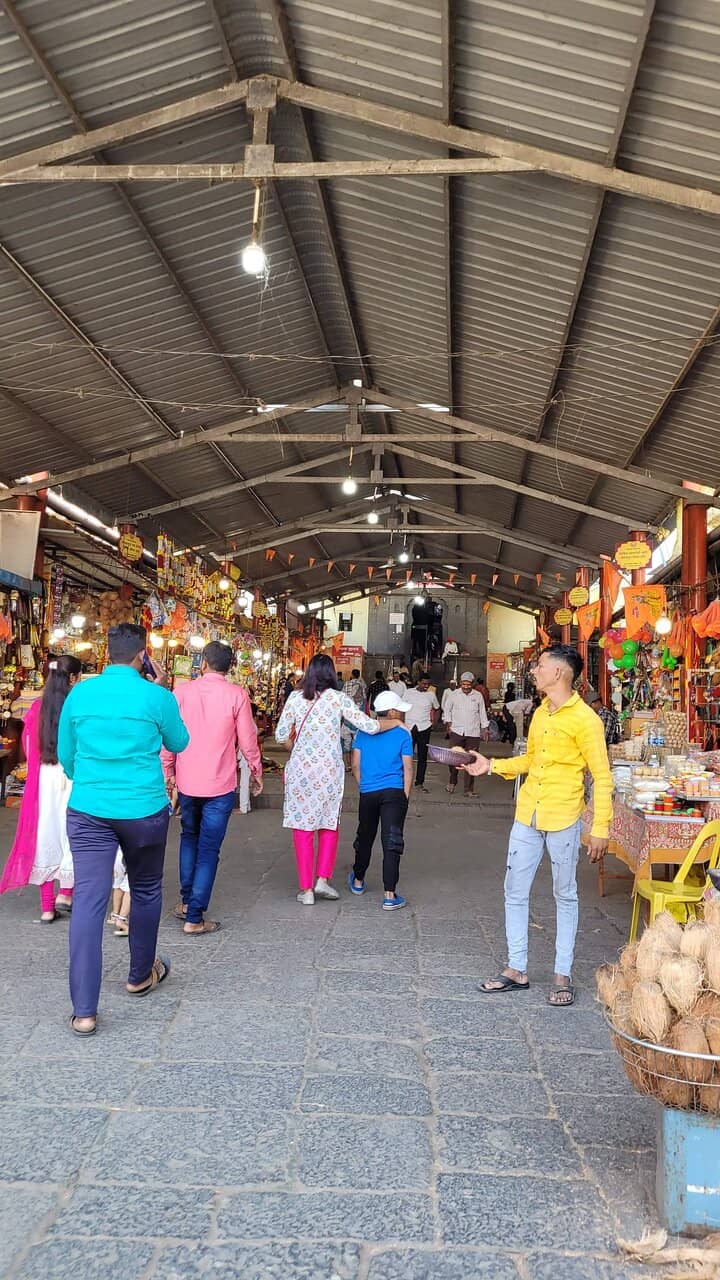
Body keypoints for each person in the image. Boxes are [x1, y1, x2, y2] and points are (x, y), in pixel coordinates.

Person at [58, 624, 189, 1036]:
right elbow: (179, 742)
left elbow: (67, 756)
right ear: (142, 655)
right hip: (143, 808)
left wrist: (90, 781)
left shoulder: (81, 694)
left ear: (106, 652)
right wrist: (160, 692)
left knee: (88, 901)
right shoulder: (157, 696)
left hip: (89, 808)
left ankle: (84, 1011)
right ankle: (139, 975)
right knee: (146, 888)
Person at [463, 645, 612, 1007]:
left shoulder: (586, 720)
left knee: (565, 894)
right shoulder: (541, 712)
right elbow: (531, 759)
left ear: (559, 672)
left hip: (564, 816)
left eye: (540, 665)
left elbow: (602, 776)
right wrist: (491, 766)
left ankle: (562, 973)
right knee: (514, 890)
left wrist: (601, 828)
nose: (534, 670)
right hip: (528, 813)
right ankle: (517, 968)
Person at [161, 641, 262, 935]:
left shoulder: (181, 693)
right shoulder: (237, 695)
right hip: (220, 785)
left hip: (187, 782)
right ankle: (194, 917)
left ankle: (186, 903)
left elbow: (169, 736)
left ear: (203, 662)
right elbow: (247, 739)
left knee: (189, 837)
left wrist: (168, 770)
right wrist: (255, 770)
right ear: (230, 667)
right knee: (208, 849)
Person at [275, 654, 388, 906]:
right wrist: (394, 723)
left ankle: (306, 890)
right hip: (329, 771)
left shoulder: (295, 698)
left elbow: (281, 735)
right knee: (329, 823)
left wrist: (297, 749)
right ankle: (322, 880)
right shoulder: (339, 699)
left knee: (303, 827)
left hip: (301, 772)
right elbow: (369, 726)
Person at [0, 656, 81, 921]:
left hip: (44, 778)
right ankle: (66, 892)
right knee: (73, 833)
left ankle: (47, 907)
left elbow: (28, 747)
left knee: (46, 835)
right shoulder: (77, 706)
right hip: (72, 776)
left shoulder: (36, 708)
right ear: (72, 678)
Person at [349, 691, 414, 910]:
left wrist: (364, 785)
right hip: (394, 792)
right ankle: (389, 895)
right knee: (392, 840)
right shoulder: (403, 733)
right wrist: (404, 795)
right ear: (393, 712)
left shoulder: (363, 732)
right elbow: (408, 768)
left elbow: (355, 764)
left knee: (365, 836)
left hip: (368, 791)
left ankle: (358, 881)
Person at [443, 671, 489, 796]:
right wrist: (448, 723)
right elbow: (447, 709)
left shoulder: (478, 696)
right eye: (464, 684)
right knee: (453, 758)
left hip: (473, 732)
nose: (466, 687)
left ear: (472, 684)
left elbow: (482, 712)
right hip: (456, 731)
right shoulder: (454, 695)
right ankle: (452, 781)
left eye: (468, 684)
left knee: (471, 760)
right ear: (460, 683)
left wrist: (485, 728)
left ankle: (468, 789)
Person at [404, 675, 440, 793]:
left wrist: (434, 722)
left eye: (428, 684)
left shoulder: (431, 695)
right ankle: (403, 781)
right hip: (409, 727)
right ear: (418, 682)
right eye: (424, 684)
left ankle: (419, 782)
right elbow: (401, 708)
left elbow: (437, 708)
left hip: (424, 727)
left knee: (422, 757)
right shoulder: (408, 693)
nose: (426, 686)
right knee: (405, 755)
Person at [341, 668, 368, 771]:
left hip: (348, 717)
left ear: (352, 675)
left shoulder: (347, 684)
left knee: (346, 741)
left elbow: (342, 699)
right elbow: (364, 700)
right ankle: (355, 766)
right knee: (357, 742)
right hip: (358, 719)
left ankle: (348, 765)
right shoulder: (363, 685)